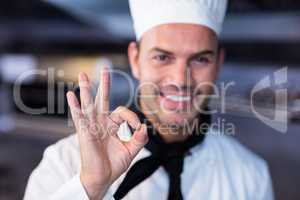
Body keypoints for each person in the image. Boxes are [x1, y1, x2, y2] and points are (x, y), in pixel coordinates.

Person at [24, 0, 274, 199]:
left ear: (218, 63)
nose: (180, 79)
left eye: (200, 59)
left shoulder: (250, 175)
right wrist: (90, 188)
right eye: (162, 57)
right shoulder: (64, 163)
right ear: (135, 59)